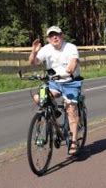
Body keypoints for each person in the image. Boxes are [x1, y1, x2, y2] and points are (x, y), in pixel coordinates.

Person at [29, 26, 82, 155]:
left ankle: (74, 140)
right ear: (48, 38)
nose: (54, 37)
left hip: (70, 82)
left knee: (70, 109)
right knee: (38, 98)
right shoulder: (46, 49)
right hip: (54, 83)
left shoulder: (70, 47)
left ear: (61, 35)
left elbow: (73, 62)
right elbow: (33, 62)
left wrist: (69, 71)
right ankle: (55, 113)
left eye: (57, 34)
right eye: (51, 35)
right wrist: (34, 52)